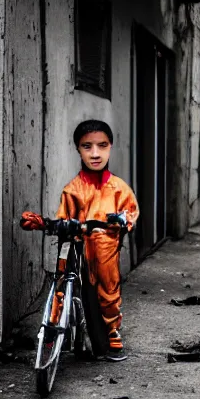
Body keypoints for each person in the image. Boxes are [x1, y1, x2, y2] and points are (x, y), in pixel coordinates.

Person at [21, 120, 139, 361]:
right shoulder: (72, 189)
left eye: (102, 146)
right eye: (87, 146)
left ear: (110, 147)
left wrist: (121, 220)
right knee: (62, 279)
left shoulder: (119, 188)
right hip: (77, 243)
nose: (95, 153)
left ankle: (111, 329)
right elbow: (64, 216)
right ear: (78, 149)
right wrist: (54, 224)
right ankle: (54, 325)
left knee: (108, 288)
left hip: (104, 247)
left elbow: (130, 212)